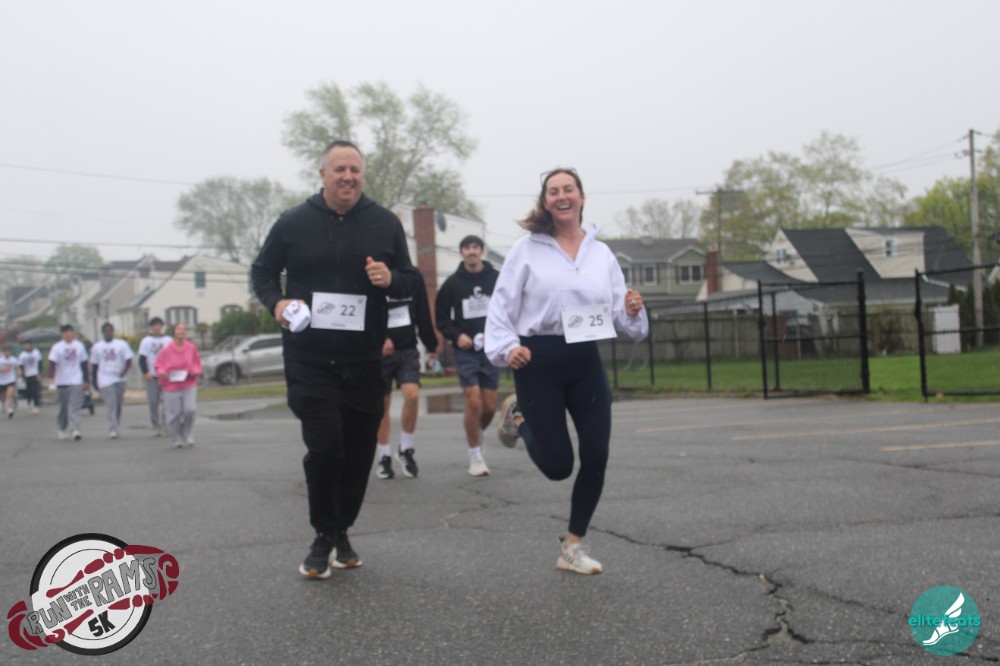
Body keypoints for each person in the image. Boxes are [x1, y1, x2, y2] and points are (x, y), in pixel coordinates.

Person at [251, 139, 421, 580]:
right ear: (323, 174)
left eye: (355, 170)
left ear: (362, 176)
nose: (348, 177)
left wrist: (390, 278)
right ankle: (323, 535)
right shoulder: (293, 222)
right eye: (340, 169)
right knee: (326, 446)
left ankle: (342, 529)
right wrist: (276, 303)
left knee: (360, 452)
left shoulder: (384, 223)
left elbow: (410, 280)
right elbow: (262, 271)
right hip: (309, 359)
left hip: (364, 361)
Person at [485, 168, 649, 575]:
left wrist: (632, 311)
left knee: (597, 454)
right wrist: (508, 348)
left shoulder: (602, 254)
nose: (562, 196)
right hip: (537, 361)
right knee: (558, 466)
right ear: (545, 202)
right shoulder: (526, 249)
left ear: (581, 197)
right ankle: (517, 417)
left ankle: (573, 546)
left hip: (584, 361)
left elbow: (625, 322)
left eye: (569, 189)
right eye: (553, 191)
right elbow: (501, 306)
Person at [434, 235, 500, 477]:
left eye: (475, 247)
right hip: (466, 352)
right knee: (473, 401)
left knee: (489, 407)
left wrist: (499, 334)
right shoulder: (452, 284)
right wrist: (457, 335)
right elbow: (442, 318)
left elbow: (509, 308)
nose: (471, 252)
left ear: (482, 251)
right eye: (467, 248)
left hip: (491, 349)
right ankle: (475, 456)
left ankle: (478, 436)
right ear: (461, 252)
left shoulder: (496, 278)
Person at [375, 282, 439, 480]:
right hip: (380, 354)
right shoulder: (374, 275)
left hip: (407, 353)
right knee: (382, 404)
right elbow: (367, 312)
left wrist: (431, 346)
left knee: (412, 395)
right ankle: (384, 456)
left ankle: (406, 449)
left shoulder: (411, 277)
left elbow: (423, 314)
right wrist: (381, 338)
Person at [154, 323, 202, 448]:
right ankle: (175, 437)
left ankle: (187, 432)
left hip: (188, 383)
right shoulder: (167, 349)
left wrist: (195, 370)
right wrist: (162, 373)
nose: (182, 331)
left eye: (184, 329)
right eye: (179, 329)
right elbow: (159, 365)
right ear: (174, 332)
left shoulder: (191, 348)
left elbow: (197, 363)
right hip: (172, 385)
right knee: (174, 413)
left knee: (190, 410)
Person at [89, 322, 134, 439]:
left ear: (113, 332)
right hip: (105, 379)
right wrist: (94, 382)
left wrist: (124, 371)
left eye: (110, 331)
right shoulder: (97, 347)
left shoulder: (121, 344)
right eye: (106, 331)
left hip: (119, 378)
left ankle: (116, 423)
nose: (108, 333)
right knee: (111, 404)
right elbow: (94, 366)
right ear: (103, 333)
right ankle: (112, 428)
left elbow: (129, 360)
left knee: (118, 404)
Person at [47, 324, 90, 441]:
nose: (68, 334)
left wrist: (86, 380)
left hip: (76, 381)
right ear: (62, 334)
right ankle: (61, 428)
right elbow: (52, 364)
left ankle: (75, 429)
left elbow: (84, 364)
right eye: (66, 332)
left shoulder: (79, 346)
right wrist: (51, 378)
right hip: (62, 382)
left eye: (70, 332)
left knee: (74, 407)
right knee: (63, 409)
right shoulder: (57, 347)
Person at [138, 317, 171, 436]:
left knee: (167, 401)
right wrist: (145, 372)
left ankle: (166, 424)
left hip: (165, 375)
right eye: (155, 325)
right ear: (151, 327)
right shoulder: (146, 341)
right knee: (153, 401)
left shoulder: (168, 340)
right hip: (152, 375)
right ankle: (155, 425)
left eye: (159, 325)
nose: (157, 328)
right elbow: (142, 359)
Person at [17, 340, 43, 414]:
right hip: (27, 375)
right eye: (26, 345)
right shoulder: (22, 355)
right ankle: (30, 404)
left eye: (29, 345)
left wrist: (39, 373)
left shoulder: (36, 352)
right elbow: (21, 366)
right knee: (29, 391)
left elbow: (40, 363)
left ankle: (36, 405)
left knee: (36, 390)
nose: (28, 347)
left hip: (35, 373)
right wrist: (22, 375)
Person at [0, 346, 17, 418]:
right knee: (2, 396)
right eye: (5, 352)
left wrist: (19, 373)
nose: (7, 353)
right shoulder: (1, 360)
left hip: (10, 380)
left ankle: (10, 409)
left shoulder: (13, 359)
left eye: (8, 351)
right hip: (1, 380)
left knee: (9, 394)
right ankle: (3, 403)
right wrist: (3, 369)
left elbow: (17, 367)